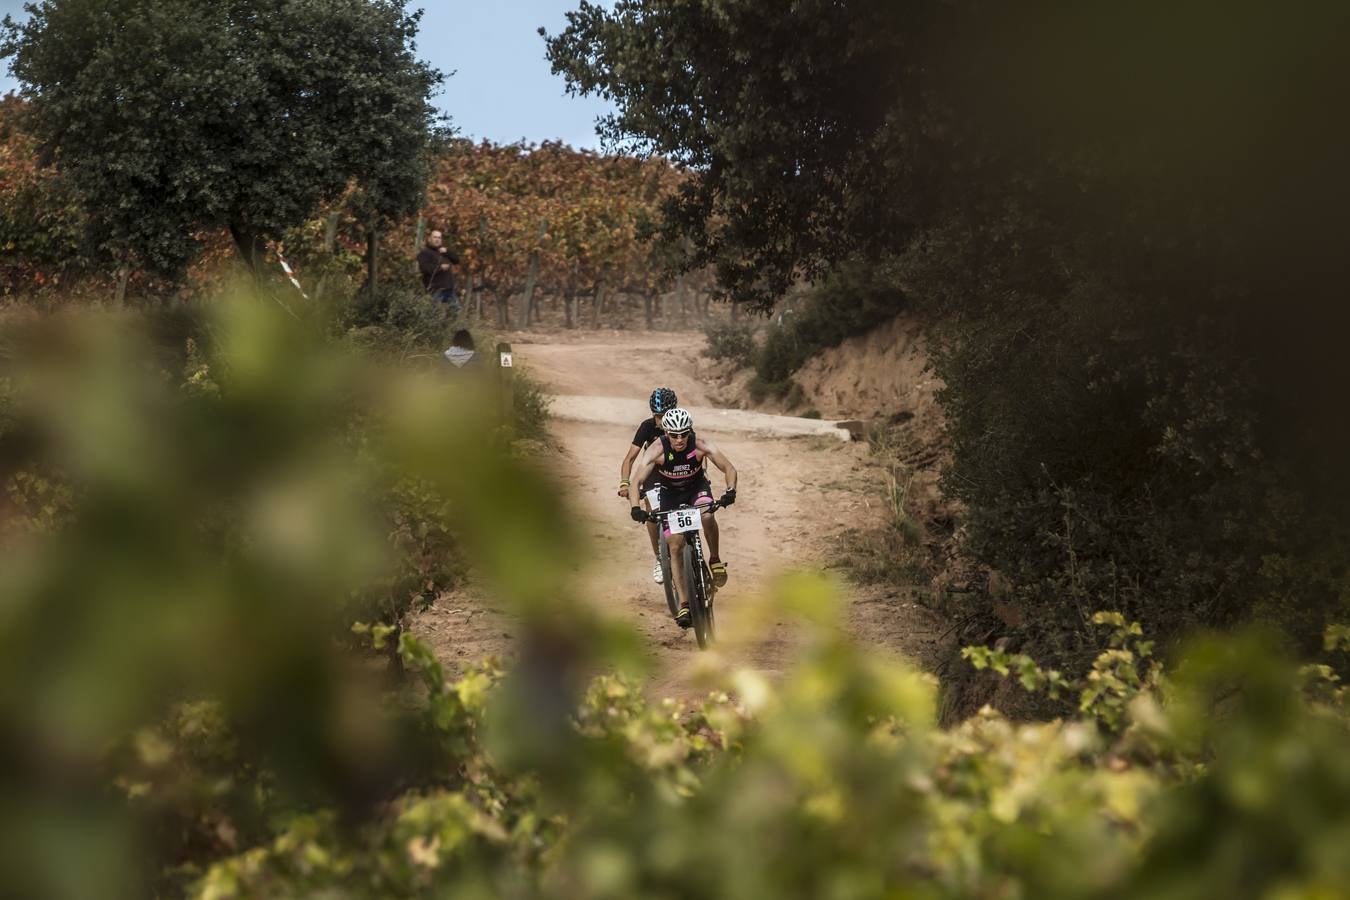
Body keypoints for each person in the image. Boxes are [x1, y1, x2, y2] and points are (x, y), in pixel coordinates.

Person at [627, 407, 737, 628]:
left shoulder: (699, 444)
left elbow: (729, 468)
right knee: (674, 545)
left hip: (696, 488)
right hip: (670, 496)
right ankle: (685, 603)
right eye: (674, 434)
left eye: (684, 434)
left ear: (690, 431)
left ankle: (714, 559)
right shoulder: (657, 449)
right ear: (666, 433)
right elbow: (636, 481)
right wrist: (635, 507)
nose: (679, 439)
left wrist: (730, 490)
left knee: (706, 514)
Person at [618, 387, 678, 583]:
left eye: (665, 415)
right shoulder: (647, 427)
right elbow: (630, 458)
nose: (661, 421)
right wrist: (625, 483)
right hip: (652, 473)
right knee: (652, 510)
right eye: (658, 416)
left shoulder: (680, 423)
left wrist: (702, 473)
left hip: (677, 471)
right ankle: (660, 558)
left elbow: (697, 449)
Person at [417, 229, 460, 312]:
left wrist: (447, 251)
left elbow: (457, 260)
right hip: (435, 289)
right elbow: (425, 269)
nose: (437, 239)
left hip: (449, 289)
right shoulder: (425, 253)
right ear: (429, 239)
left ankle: (448, 325)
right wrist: (440, 267)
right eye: (435, 237)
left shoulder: (444, 252)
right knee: (434, 314)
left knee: (455, 312)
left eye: (439, 238)